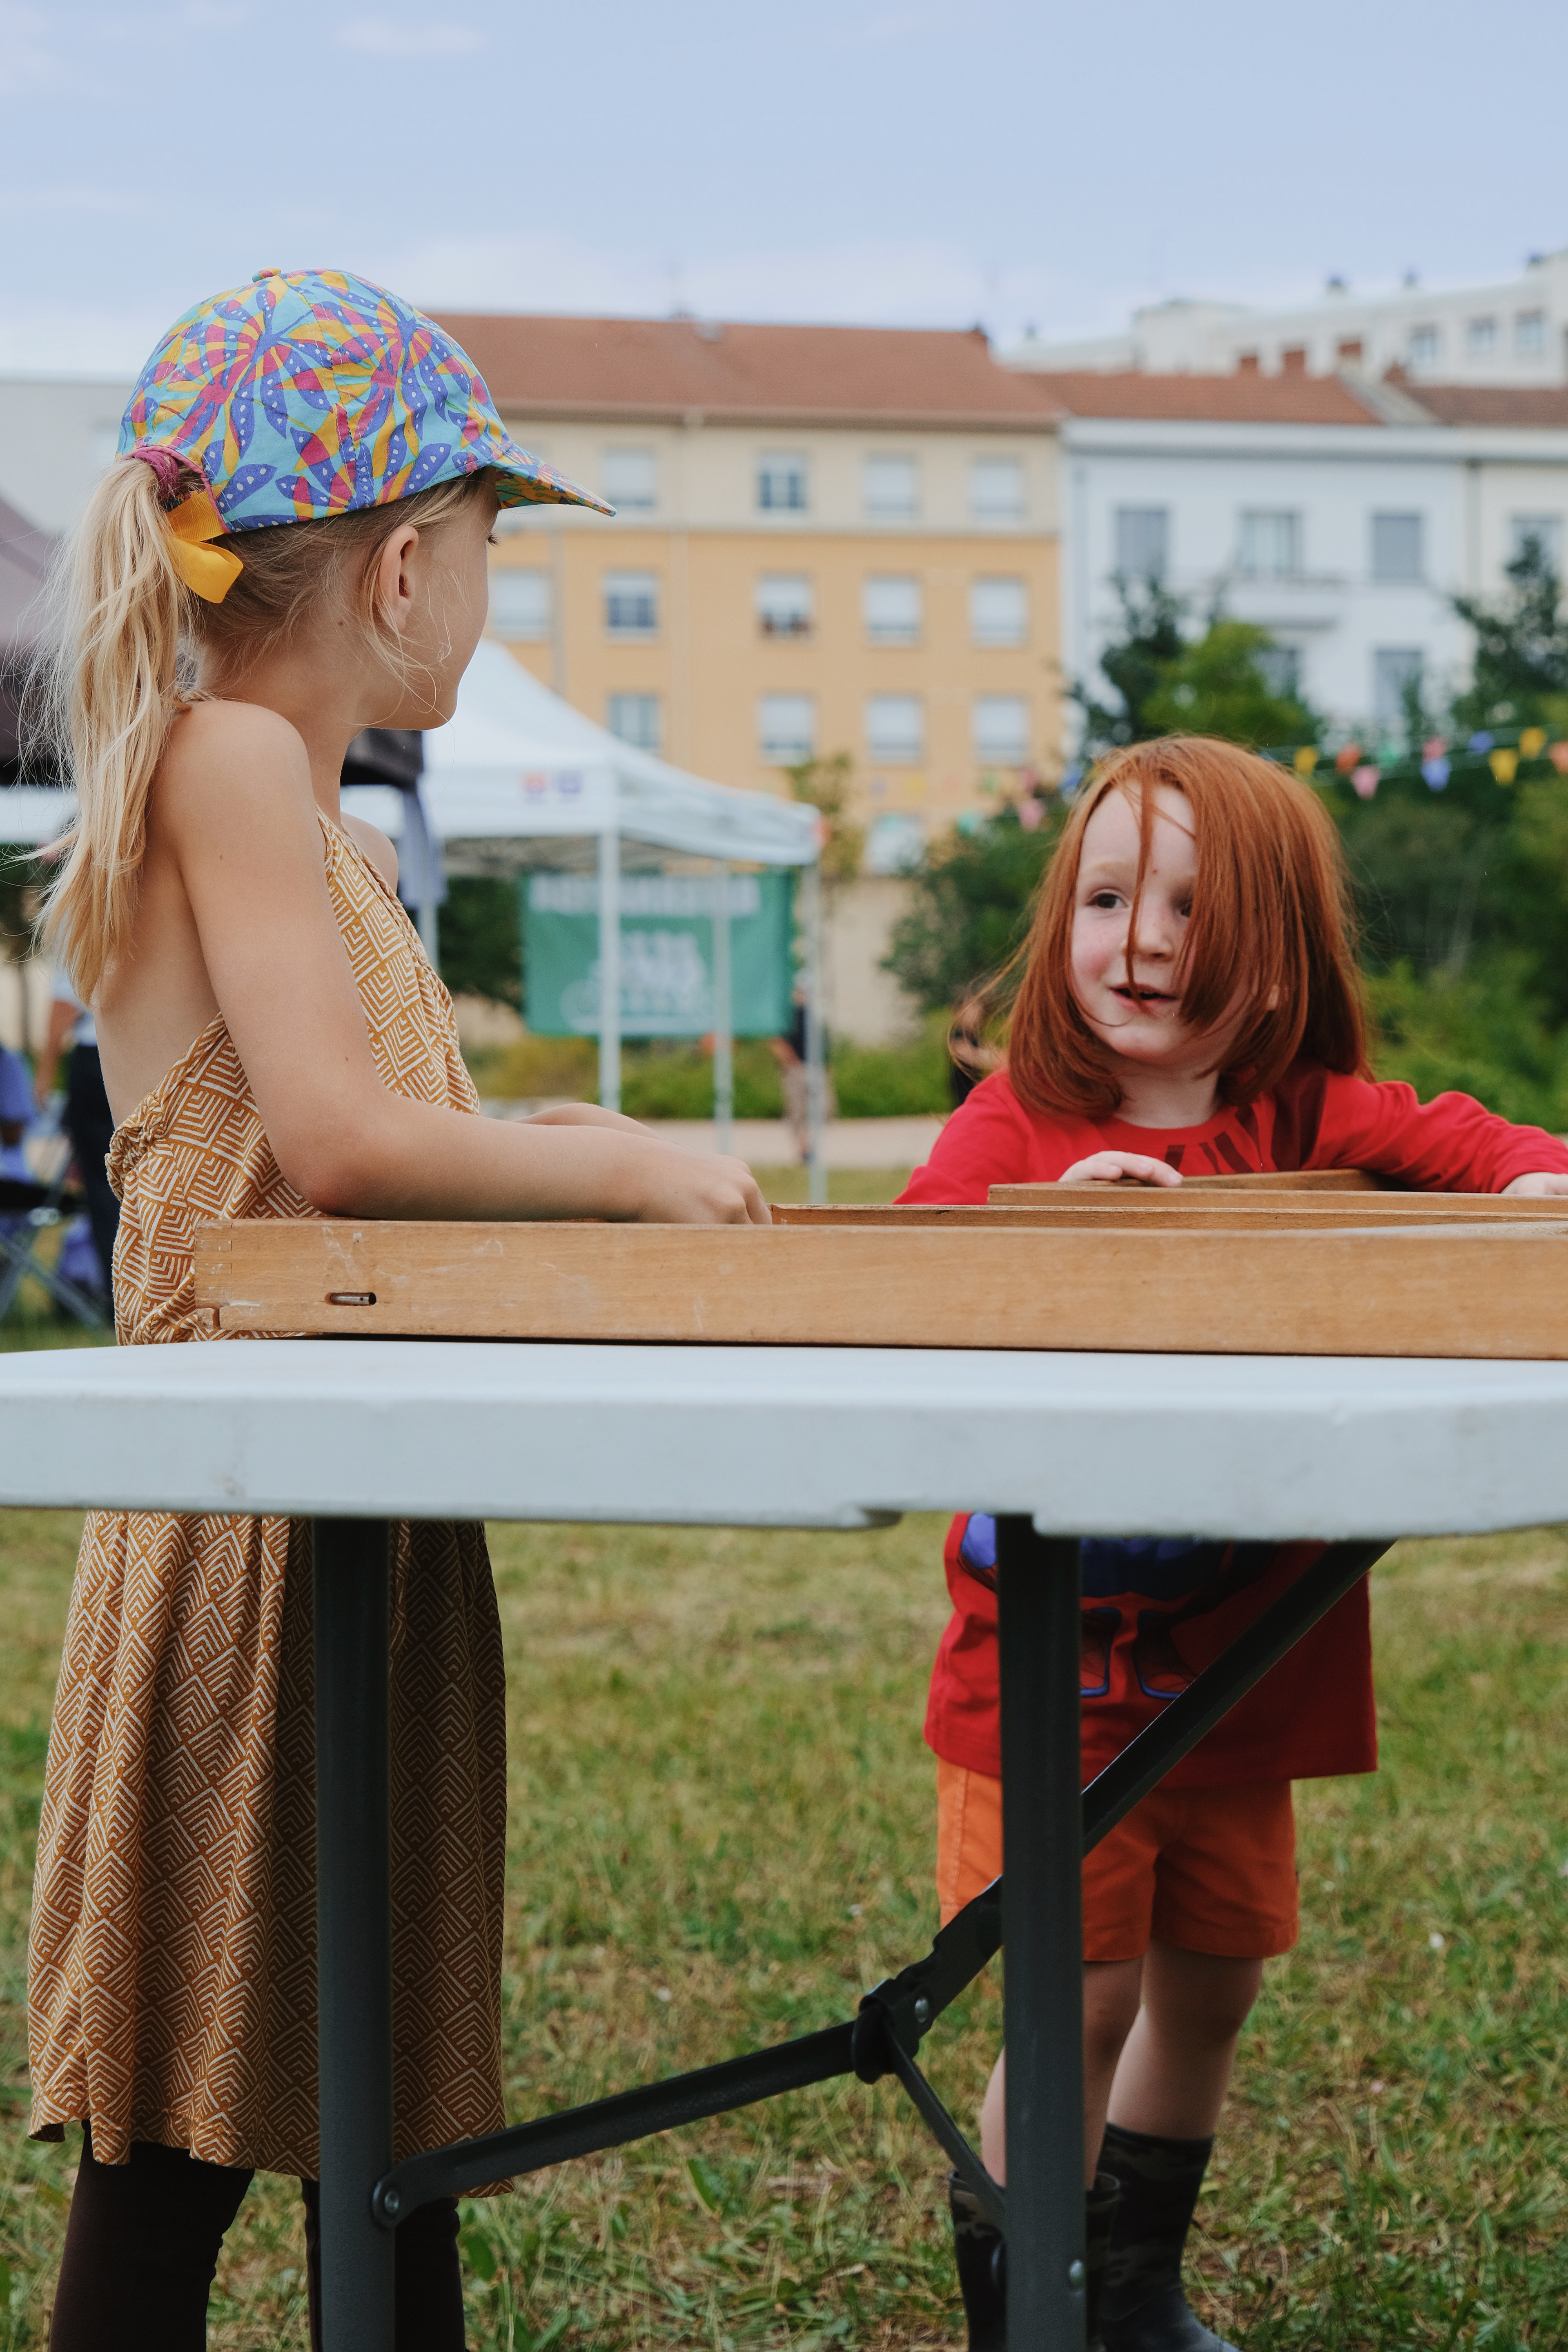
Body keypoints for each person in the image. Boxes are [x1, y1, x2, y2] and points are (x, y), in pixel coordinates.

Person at [28, 267, 768, 2352]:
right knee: (185, 2150)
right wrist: (620, 1158)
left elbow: (356, 1120)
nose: (493, 602)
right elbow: (343, 1151)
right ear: (411, 562)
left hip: (334, 1502)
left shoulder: (281, 794)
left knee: (385, 2121)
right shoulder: (240, 766)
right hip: (260, 1525)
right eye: (498, 554)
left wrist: (534, 1120)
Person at [901, 734, 1568, 2352]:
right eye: (1111, 896)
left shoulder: (1312, 1115)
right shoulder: (1020, 1125)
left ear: (1271, 941)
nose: (1139, 940)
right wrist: (1056, 1233)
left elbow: (1489, 1150)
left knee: (1210, 1986)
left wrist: (1546, 1182)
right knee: (1082, 2000)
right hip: (1057, 1681)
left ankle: (1131, 2287)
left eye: (1190, 908)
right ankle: (1029, 2306)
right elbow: (912, 1265)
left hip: (1245, 1680)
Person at [34, 971, 118, 1305]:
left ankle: (121, 1301)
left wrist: (45, 1073)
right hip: (148, 1052)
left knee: (104, 1187)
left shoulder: (80, 918)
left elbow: (64, 1004)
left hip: (96, 1056)